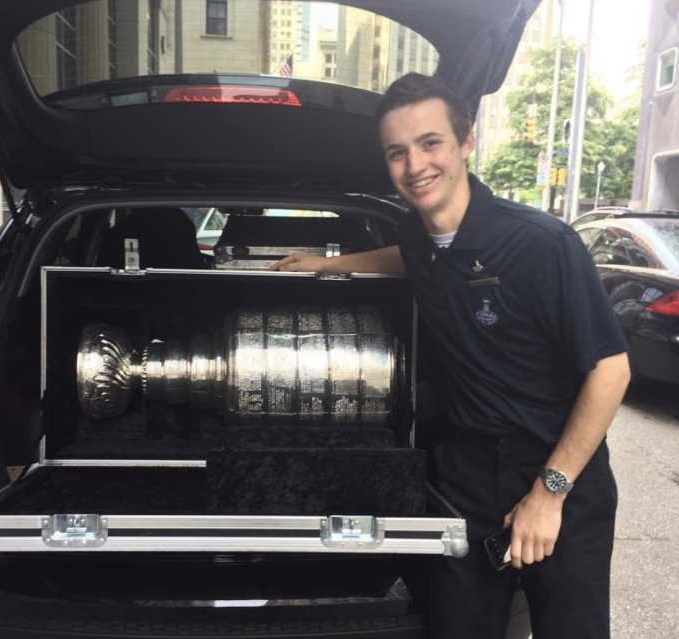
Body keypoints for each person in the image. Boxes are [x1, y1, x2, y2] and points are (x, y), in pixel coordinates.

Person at [270, 73, 630, 639]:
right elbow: (406, 257)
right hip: (465, 472)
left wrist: (548, 493)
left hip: (559, 473)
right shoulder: (417, 237)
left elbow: (611, 369)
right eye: (398, 152)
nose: (415, 166)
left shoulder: (543, 244)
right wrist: (333, 262)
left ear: (466, 142)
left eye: (430, 143)